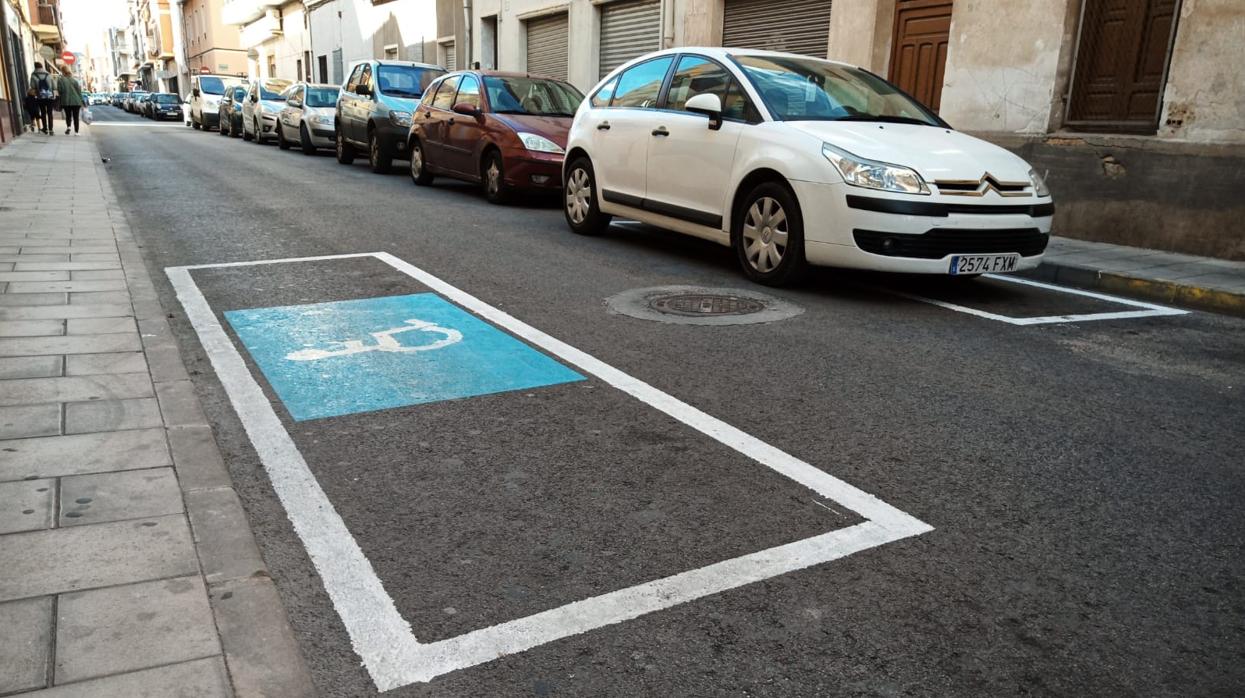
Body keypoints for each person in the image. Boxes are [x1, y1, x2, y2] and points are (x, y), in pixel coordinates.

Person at [29, 62, 57, 135]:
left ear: (35, 67)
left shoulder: (33, 75)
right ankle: (51, 129)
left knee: (43, 112)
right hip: (49, 96)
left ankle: (45, 128)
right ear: (42, 67)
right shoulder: (48, 74)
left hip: (40, 97)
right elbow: (54, 86)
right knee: (50, 113)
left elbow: (32, 86)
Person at [57, 66, 84, 135]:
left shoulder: (60, 80)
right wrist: (82, 101)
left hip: (66, 101)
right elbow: (79, 92)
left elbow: (60, 91)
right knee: (76, 116)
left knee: (68, 115)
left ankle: (68, 127)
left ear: (62, 71)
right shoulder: (74, 80)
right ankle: (76, 132)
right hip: (76, 101)